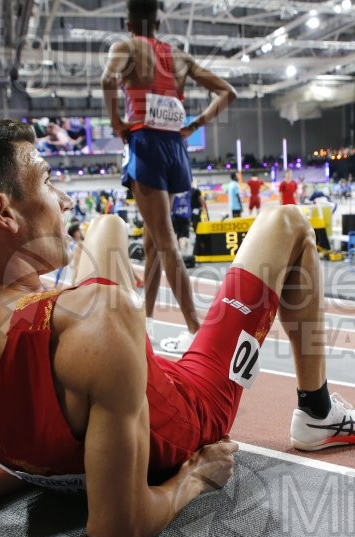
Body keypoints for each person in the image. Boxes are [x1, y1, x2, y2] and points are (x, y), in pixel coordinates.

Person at [0, 119, 355, 537]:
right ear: (3, 212)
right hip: (184, 408)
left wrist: (32, 473)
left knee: (107, 225)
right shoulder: (95, 320)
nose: (64, 199)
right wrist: (195, 477)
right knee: (286, 221)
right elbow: (116, 533)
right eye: (48, 181)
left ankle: (129, 358)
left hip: (77, 385)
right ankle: (317, 412)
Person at [101, 0, 237, 354]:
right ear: (158, 21)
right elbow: (228, 92)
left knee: (165, 242)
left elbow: (108, 80)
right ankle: (143, 322)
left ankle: (196, 329)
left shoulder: (125, 47)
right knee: (153, 243)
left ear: (127, 21)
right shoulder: (179, 57)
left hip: (145, 142)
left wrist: (117, 123)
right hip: (175, 148)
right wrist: (194, 126)